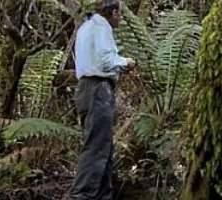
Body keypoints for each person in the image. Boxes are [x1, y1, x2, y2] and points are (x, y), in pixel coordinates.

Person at [70, 0, 135, 199]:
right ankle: (82, 195)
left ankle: (102, 195)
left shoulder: (85, 27)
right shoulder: (102, 26)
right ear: (113, 12)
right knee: (97, 148)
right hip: (98, 89)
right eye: (120, 14)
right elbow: (106, 61)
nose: (120, 18)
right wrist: (126, 62)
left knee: (103, 146)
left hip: (85, 90)